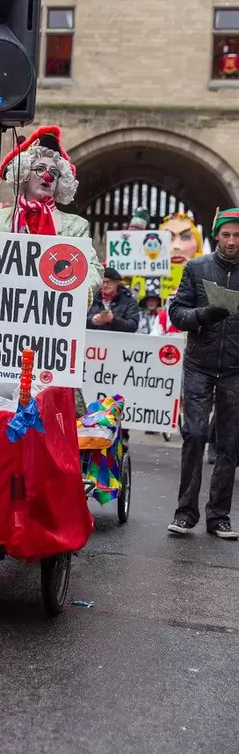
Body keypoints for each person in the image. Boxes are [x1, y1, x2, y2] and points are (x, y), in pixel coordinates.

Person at [167, 209, 239, 540]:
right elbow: (176, 313)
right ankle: (185, 513)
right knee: (195, 434)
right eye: (226, 235)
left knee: (229, 443)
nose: (232, 241)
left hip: (235, 369)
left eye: (237, 235)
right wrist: (202, 315)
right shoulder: (196, 268)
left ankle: (219, 516)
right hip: (199, 364)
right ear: (217, 236)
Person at [0, 125, 102, 297]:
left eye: (54, 172)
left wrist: (79, 292)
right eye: (40, 169)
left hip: (51, 305)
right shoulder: (0, 220)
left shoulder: (75, 226)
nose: (48, 176)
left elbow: (92, 267)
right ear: (24, 174)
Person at [87, 268, 140, 333]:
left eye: (108, 282)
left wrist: (113, 319)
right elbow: (79, 320)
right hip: (93, 338)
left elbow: (133, 326)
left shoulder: (129, 301)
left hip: (118, 339)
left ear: (117, 282)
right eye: (102, 282)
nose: (105, 285)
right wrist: (92, 320)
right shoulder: (91, 299)